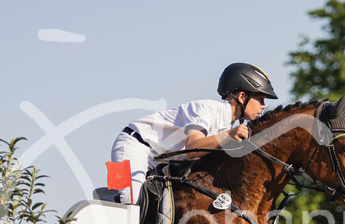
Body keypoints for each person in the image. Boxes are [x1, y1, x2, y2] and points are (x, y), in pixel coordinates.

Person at [110, 62, 278, 203]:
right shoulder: (206, 108)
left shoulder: (227, 125)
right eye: (261, 100)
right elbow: (193, 147)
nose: (263, 106)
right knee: (130, 198)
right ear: (242, 97)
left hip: (161, 161)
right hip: (133, 145)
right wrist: (229, 136)